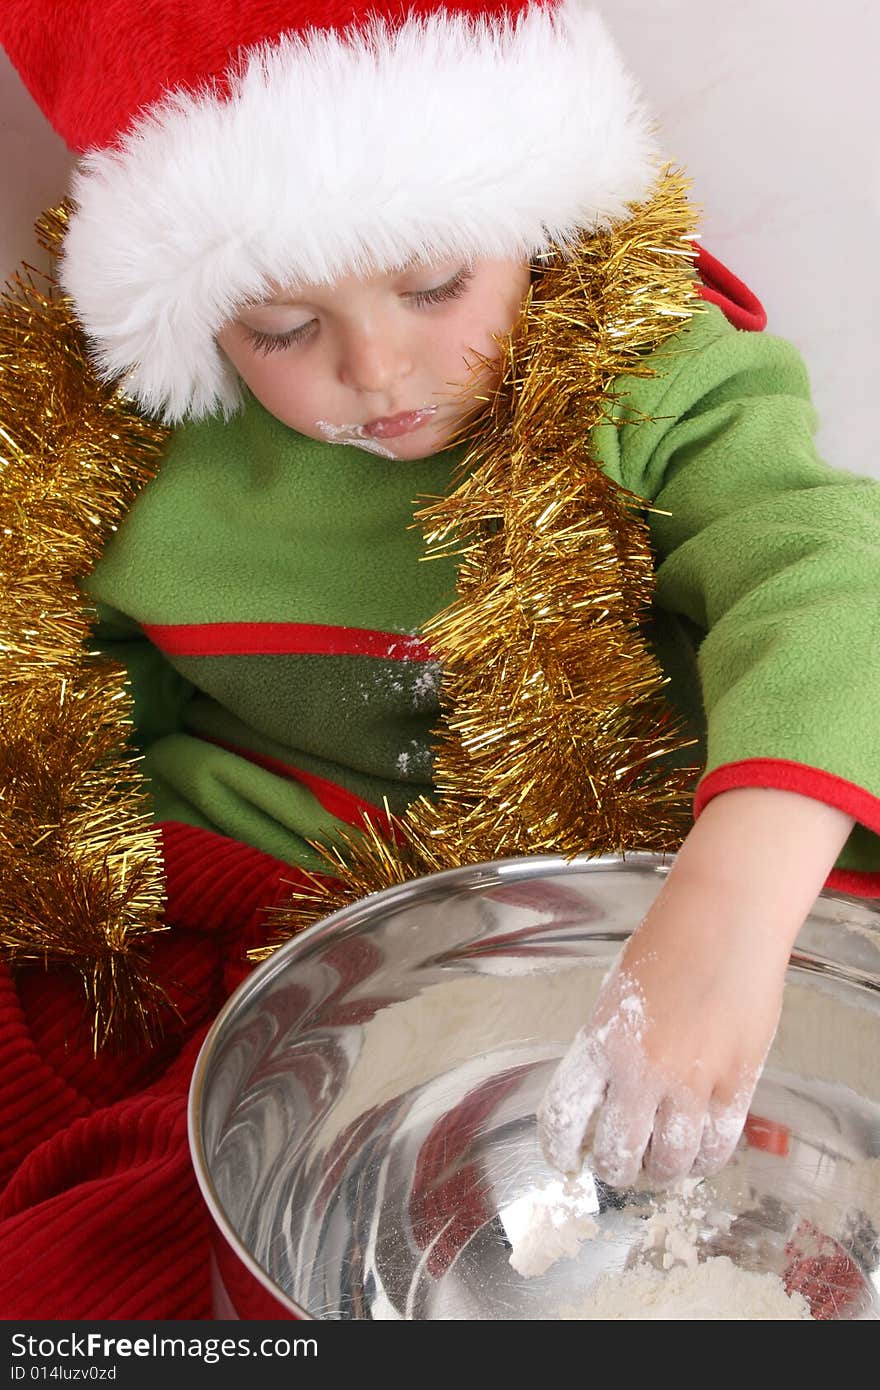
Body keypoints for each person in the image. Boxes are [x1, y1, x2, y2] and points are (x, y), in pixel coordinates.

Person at [0, 0, 878, 1319]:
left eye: (431, 286)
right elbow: (71, 697)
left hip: (641, 876)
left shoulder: (642, 367)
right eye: (282, 328)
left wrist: (732, 907)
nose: (377, 367)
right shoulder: (121, 452)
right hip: (288, 915)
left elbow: (826, 577)